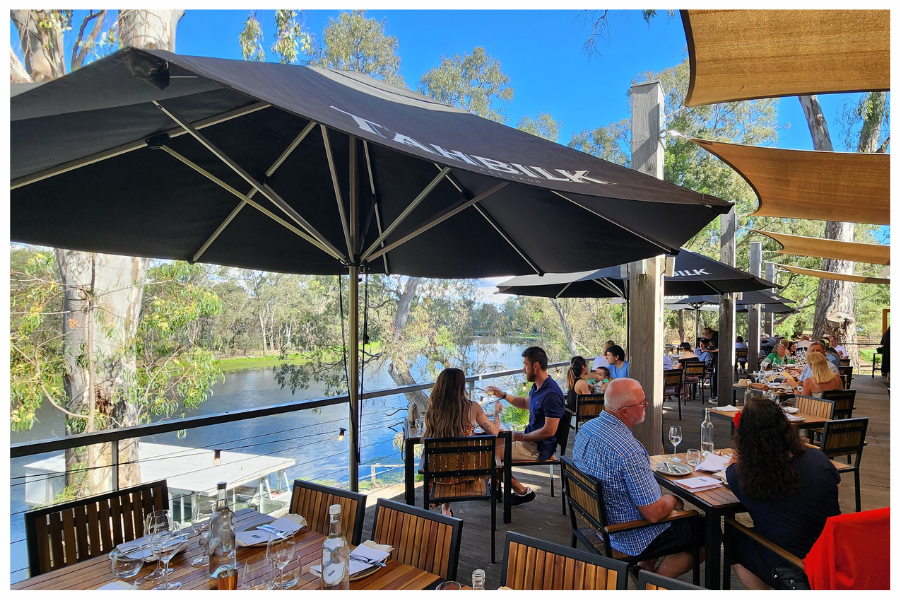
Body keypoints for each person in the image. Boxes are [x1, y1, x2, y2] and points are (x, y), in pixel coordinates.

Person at [572, 378, 702, 579]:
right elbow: (653, 514)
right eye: (643, 403)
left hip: (599, 522)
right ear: (625, 412)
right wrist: (674, 500)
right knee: (705, 531)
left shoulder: (587, 429)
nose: (647, 405)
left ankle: (643, 568)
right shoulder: (629, 451)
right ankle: (650, 585)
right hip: (627, 535)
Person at [725, 398, 840, 590]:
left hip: (791, 564)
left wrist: (741, 451)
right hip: (830, 557)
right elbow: (834, 485)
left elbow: (731, 467)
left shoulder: (744, 476)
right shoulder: (818, 458)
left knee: (732, 537)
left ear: (744, 437)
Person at [486, 346, 565, 506]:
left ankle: (522, 491)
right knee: (490, 442)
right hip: (529, 438)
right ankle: (494, 485)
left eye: (525, 365)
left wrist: (522, 436)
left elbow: (549, 431)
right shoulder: (538, 386)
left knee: (489, 455)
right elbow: (524, 403)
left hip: (538, 447)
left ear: (535, 366)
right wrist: (503, 395)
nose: (523, 369)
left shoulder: (551, 394)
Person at [423, 368, 500, 517]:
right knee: (464, 456)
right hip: (468, 473)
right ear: (461, 386)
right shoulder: (472, 407)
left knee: (446, 456)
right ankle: (492, 485)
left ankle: (445, 508)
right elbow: (494, 432)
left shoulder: (433, 409)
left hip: (440, 476)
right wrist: (496, 412)